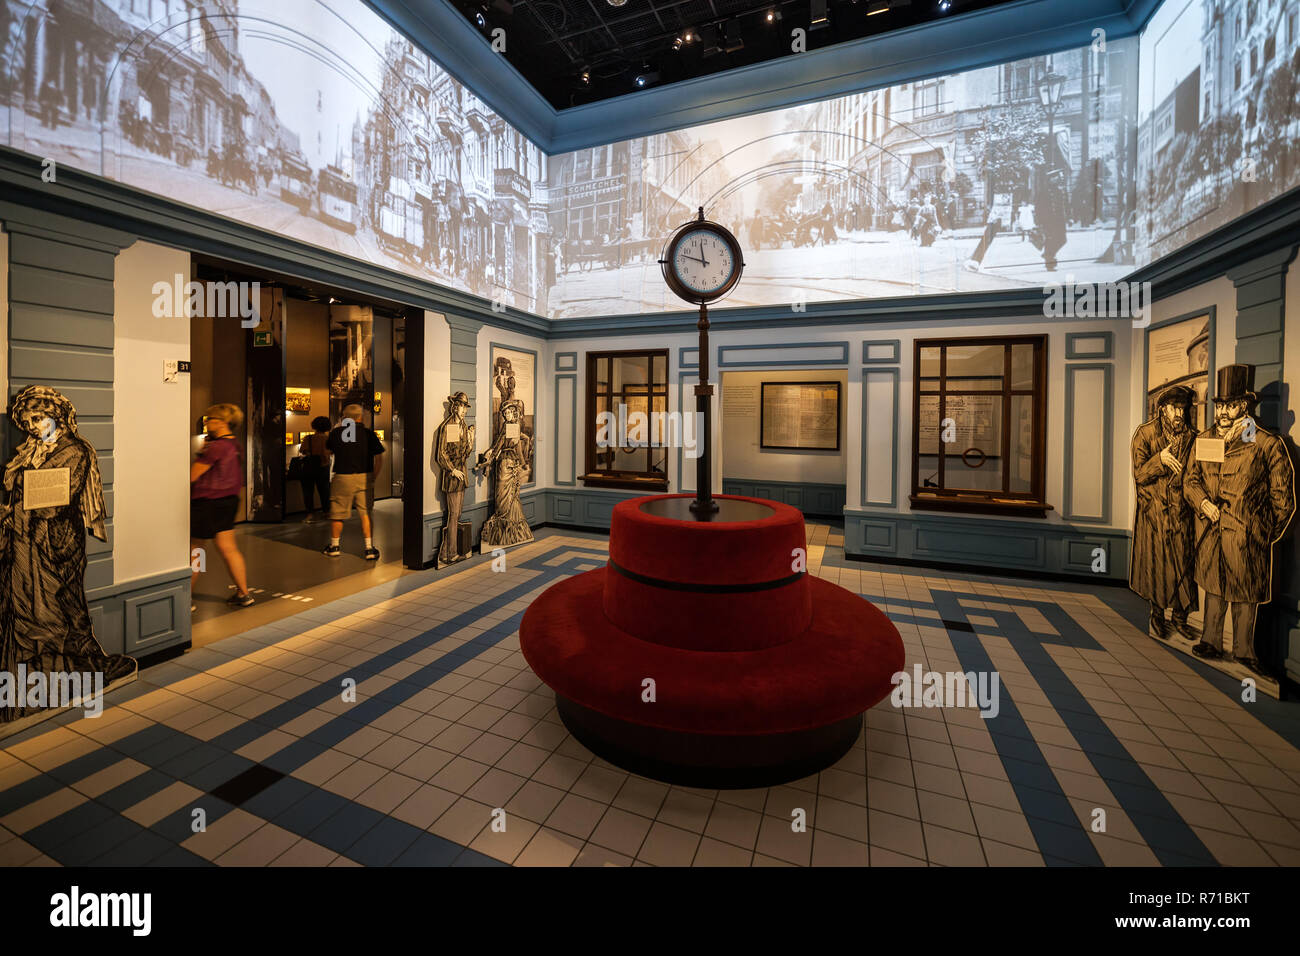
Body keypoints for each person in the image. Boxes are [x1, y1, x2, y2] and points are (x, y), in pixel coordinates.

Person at [1, 386, 136, 722]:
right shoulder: (33, 451)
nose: (32, 425)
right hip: (28, 540)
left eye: (38, 417)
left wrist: (16, 507)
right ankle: (54, 674)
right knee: (43, 607)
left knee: (64, 603)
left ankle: (83, 667)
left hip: (57, 542)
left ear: (55, 415)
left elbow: (50, 500)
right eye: (27, 420)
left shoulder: (73, 450)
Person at [1183, 365, 1296, 675]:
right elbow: (1190, 481)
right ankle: (1211, 640)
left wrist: (1262, 533)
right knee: (1214, 588)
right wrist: (1204, 504)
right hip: (1212, 532)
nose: (1221, 412)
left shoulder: (1266, 444)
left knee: (1245, 595)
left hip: (1247, 538)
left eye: (1229, 405)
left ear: (1243, 406)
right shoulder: (1205, 439)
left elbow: (1284, 500)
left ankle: (1245, 651)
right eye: (1219, 405)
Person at [1129, 386, 1198, 640]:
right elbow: (1139, 474)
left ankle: (1180, 618)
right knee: (1157, 568)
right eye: (1174, 408)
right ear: (1163, 410)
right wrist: (1160, 460)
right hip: (1155, 514)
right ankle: (1157, 615)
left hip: (1182, 513)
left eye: (1182, 408)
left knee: (1183, 567)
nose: (1179, 413)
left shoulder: (1193, 437)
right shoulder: (1145, 434)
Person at [190, 403, 253, 609]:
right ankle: (243, 593)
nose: (207, 422)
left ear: (223, 422)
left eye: (211, 419)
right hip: (228, 501)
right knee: (228, 548)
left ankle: (185, 596)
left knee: (196, 549)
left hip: (206, 502)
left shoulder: (216, 447)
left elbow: (193, 475)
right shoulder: (234, 444)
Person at [323, 402, 384, 560]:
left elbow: (327, 452)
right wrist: (373, 477)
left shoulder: (336, 433)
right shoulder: (368, 434)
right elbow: (379, 458)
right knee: (365, 513)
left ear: (344, 417)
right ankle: (369, 549)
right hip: (364, 476)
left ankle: (334, 546)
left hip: (342, 476)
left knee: (338, 513)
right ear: (361, 417)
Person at [435, 392, 475, 565]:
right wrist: (452, 470)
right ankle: (450, 553)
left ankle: (445, 552)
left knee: (457, 514)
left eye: (465, 407)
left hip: (462, 474)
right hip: (452, 477)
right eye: (461, 406)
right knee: (453, 515)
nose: (464, 410)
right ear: (455, 406)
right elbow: (441, 454)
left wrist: (471, 441)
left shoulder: (464, 426)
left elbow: (464, 454)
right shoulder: (447, 426)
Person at [297, 416, 332, 522]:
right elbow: (330, 453)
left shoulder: (308, 438)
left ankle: (310, 514)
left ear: (314, 426)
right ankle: (326, 512)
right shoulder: (328, 439)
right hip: (323, 467)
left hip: (309, 467)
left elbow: (303, 451)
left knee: (308, 491)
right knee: (325, 491)